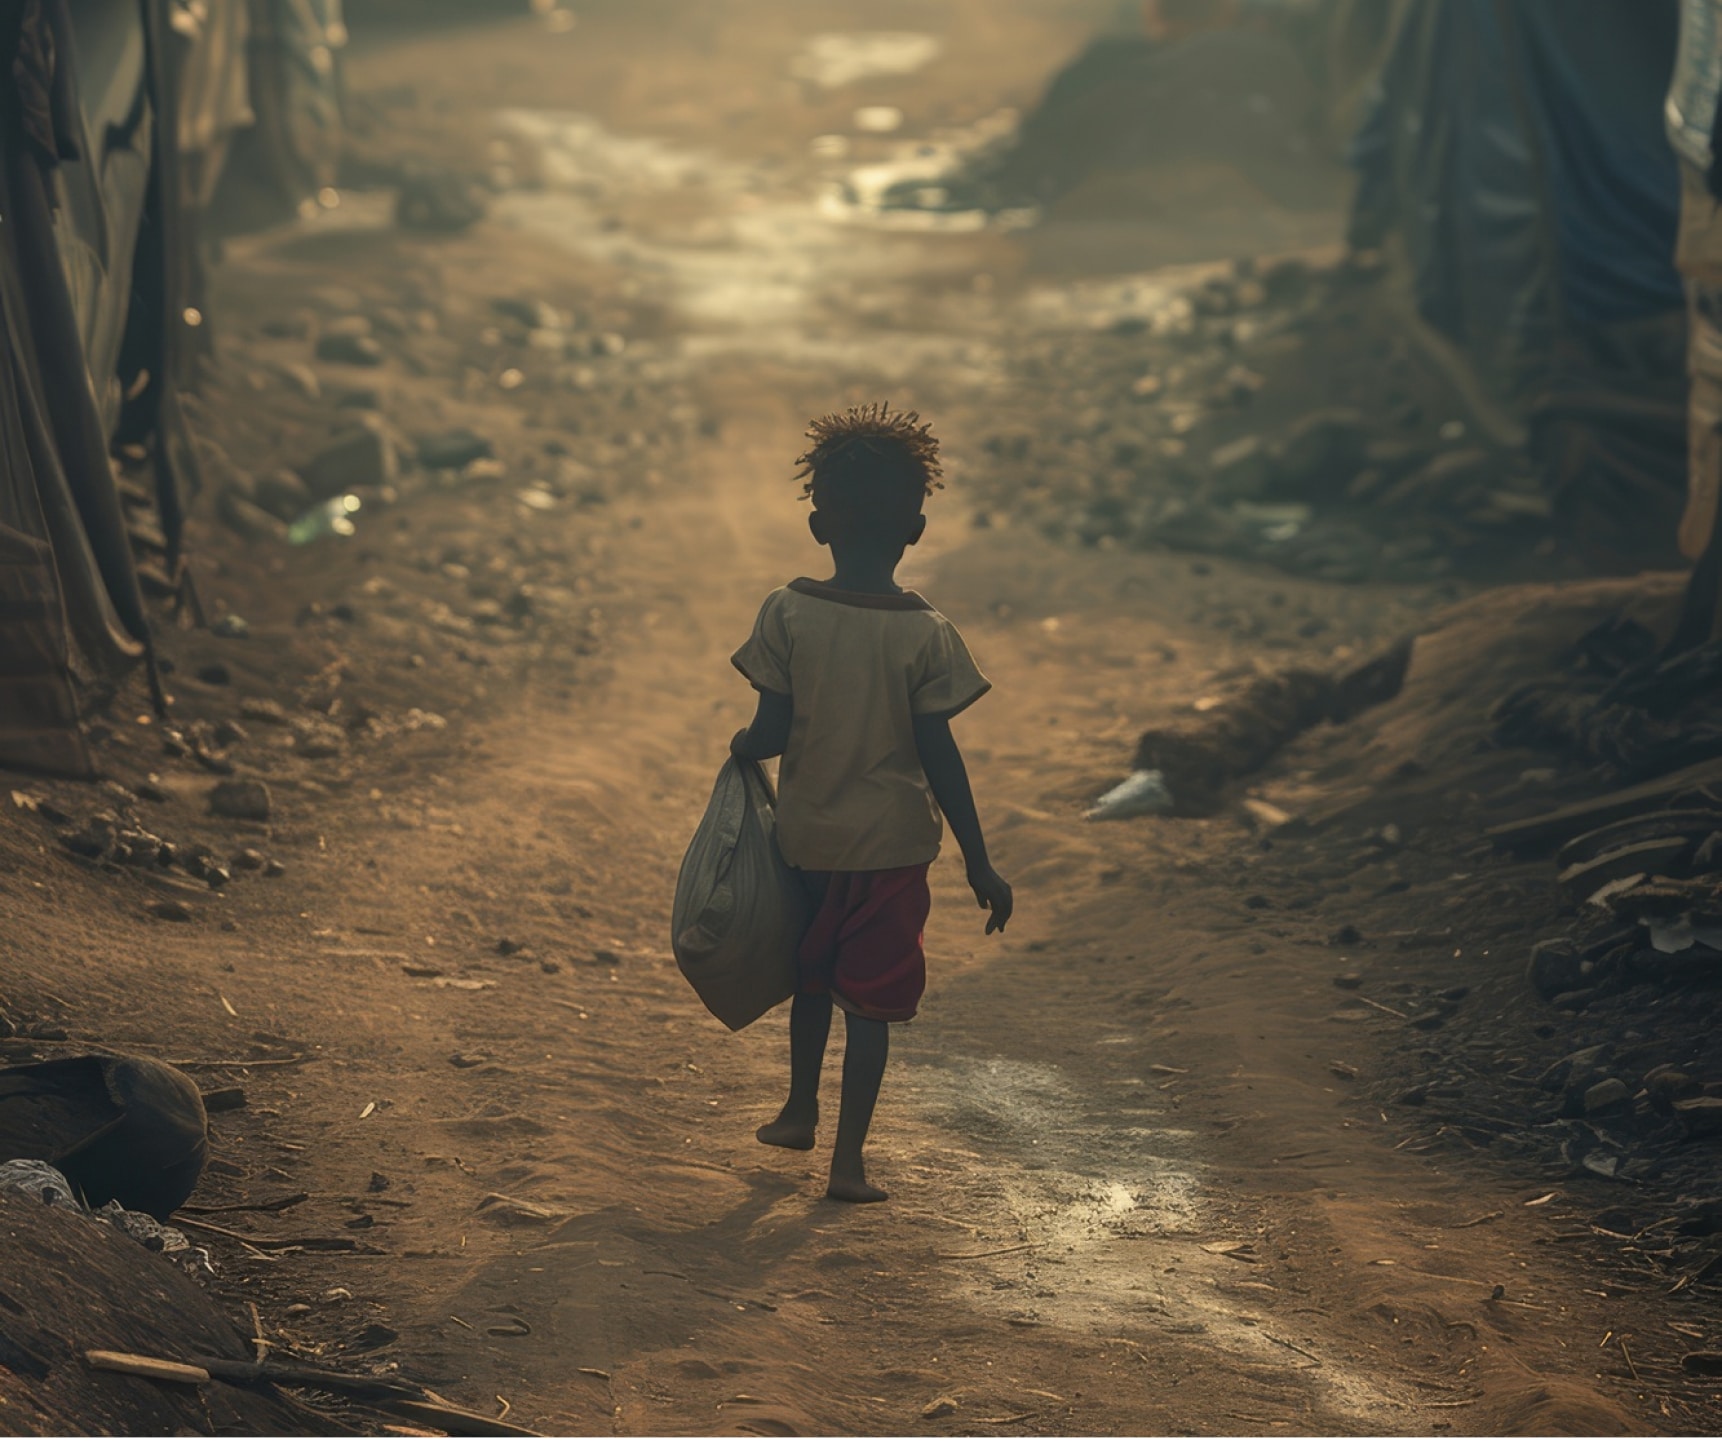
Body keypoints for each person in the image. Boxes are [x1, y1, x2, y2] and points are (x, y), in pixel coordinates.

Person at [729, 404, 1013, 1204]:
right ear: (916, 529)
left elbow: (771, 730)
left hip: (807, 839)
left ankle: (796, 1108)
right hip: (892, 850)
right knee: (872, 1006)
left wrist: (740, 750)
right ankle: (848, 1163)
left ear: (819, 524)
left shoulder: (787, 612)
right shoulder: (927, 633)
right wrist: (980, 859)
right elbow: (939, 752)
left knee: (810, 978)